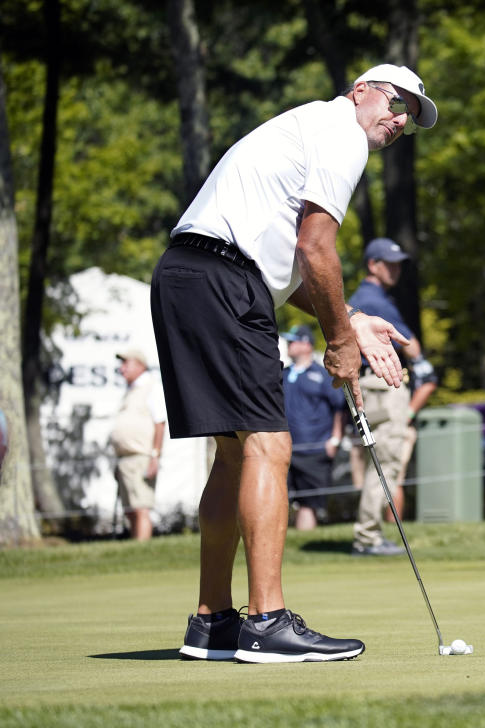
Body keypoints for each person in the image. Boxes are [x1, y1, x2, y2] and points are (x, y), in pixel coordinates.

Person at [151, 63, 438, 663]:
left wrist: (349, 317)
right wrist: (340, 344)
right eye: (396, 102)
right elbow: (316, 245)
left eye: (410, 116)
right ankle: (267, 622)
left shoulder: (306, 126)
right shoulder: (342, 134)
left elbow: (291, 264)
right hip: (226, 283)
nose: (400, 118)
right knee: (268, 445)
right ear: (361, 90)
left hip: (188, 275)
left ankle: (213, 621)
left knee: (235, 453)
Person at [348, 237, 438, 556]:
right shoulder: (376, 300)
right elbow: (410, 345)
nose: (396, 269)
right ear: (373, 265)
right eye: (389, 263)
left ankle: (369, 534)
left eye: (399, 263)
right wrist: (421, 359)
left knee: (381, 461)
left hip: (373, 387)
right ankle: (368, 536)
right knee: (385, 462)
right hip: (384, 386)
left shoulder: (366, 297)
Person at [281, 325, 344, 530]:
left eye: (294, 341)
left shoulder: (322, 374)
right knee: (279, 500)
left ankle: (302, 548)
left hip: (314, 450)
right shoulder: (281, 374)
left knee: (309, 504)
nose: (290, 345)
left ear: (307, 345)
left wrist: (334, 439)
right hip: (284, 449)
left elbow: (339, 407)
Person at [109, 349, 167, 541]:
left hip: (142, 457)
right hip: (125, 459)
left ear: (140, 365)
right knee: (130, 510)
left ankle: (143, 550)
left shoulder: (151, 387)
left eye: (126, 363)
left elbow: (160, 423)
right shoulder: (130, 390)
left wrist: (155, 455)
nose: (122, 368)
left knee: (141, 507)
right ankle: (136, 547)